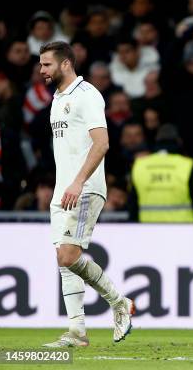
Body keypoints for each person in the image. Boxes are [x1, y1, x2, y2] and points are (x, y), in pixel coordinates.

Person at [39, 41, 134, 347]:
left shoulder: (87, 95)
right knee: (63, 259)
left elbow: (101, 143)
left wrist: (79, 181)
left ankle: (119, 302)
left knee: (69, 255)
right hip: (63, 190)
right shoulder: (57, 99)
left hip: (85, 188)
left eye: (46, 64)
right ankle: (77, 331)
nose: (42, 70)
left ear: (65, 64)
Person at [130, 124, 193, 223]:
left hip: (147, 231)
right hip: (183, 231)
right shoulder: (188, 165)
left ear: (156, 141)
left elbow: (132, 205)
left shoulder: (140, 165)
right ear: (179, 141)